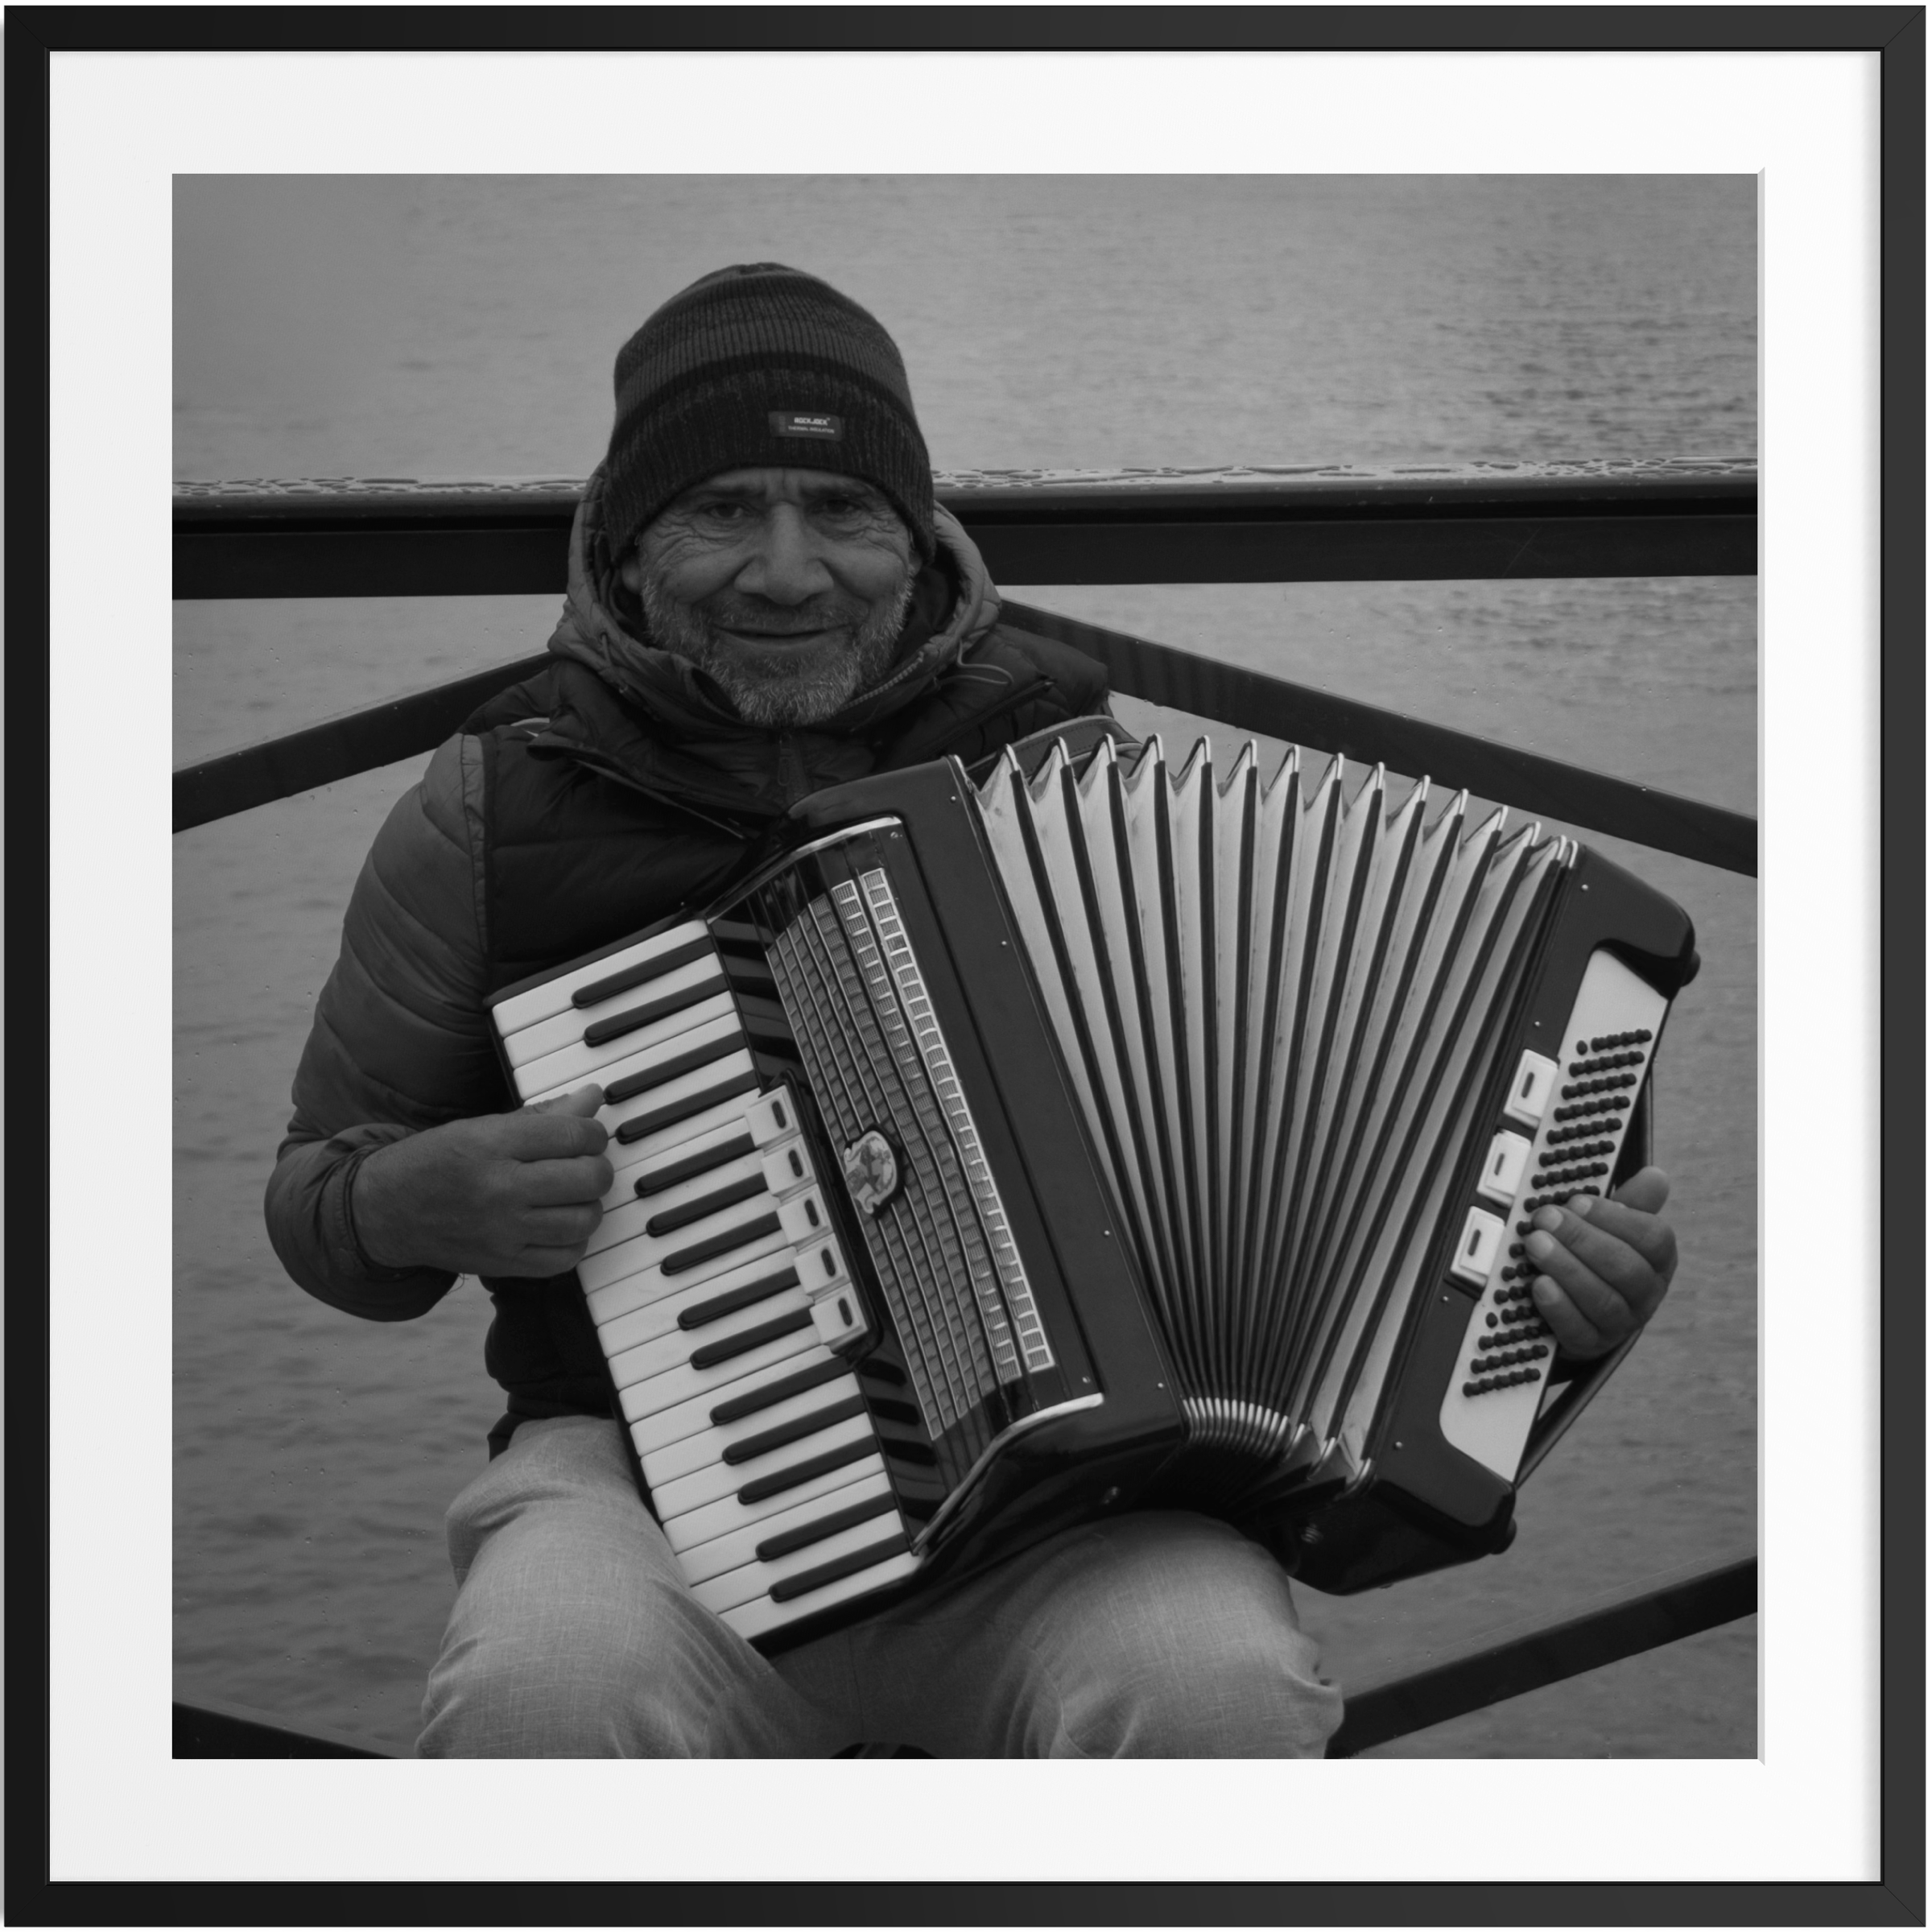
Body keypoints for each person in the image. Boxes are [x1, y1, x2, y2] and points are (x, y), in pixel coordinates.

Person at [265, 263, 1680, 1759]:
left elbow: (1292, 1129)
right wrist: (403, 1205)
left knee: (1213, 1685)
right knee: (540, 1683)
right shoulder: (495, 801)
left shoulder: (1063, 761)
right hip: (644, 1484)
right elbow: (318, 1205)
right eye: (723, 510)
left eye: (844, 512)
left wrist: (1554, 1309)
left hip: (1063, 1496)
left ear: (919, 533)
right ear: (624, 548)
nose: (789, 573)